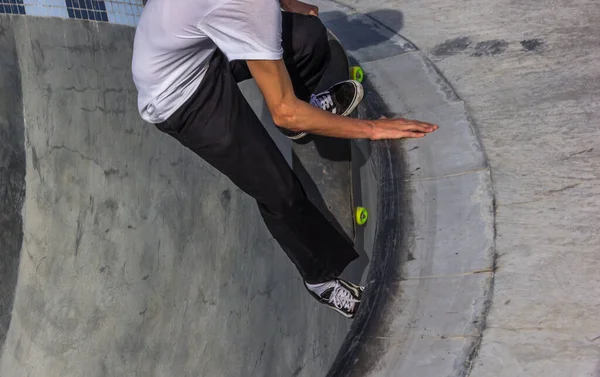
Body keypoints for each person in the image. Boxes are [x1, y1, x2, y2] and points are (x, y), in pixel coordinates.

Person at [131, 0, 438, 319]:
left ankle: (306, 114)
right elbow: (285, 110)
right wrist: (373, 128)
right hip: (177, 97)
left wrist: (288, 4)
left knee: (307, 37)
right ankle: (318, 279)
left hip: (203, 46)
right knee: (280, 193)